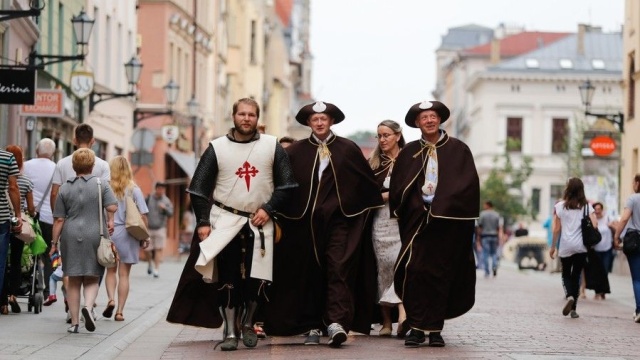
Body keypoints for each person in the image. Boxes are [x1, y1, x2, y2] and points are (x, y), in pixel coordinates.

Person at [166, 98, 297, 352]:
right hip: (225, 220)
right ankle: (229, 331)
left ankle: (248, 322)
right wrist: (203, 221)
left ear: (257, 118)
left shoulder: (272, 146)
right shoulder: (217, 147)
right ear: (233, 116)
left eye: (251, 115)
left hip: (260, 221)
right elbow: (198, 189)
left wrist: (268, 209)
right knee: (228, 277)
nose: (246, 118)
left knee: (259, 277)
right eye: (242, 114)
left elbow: (288, 185)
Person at [263, 101, 383, 348]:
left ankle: (336, 322)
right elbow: (279, 185)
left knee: (338, 267)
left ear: (331, 121)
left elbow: (366, 183)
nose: (319, 123)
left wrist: (356, 210)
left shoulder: (348, 149)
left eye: (324, 119)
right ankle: (312, 324)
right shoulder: (294, 151)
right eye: (314, 119)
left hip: (339, 222)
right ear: (308, 123)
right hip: (303, 223)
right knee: (309, 271)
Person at [389, 100, 479, 348]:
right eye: (424, 117)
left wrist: (442, 205)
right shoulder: (408, 153)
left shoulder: (458, 150)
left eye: (433, 116)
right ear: (417, 123)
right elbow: (399, 187)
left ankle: (435, 328)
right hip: (417, 223)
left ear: (439, 120)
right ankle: (417, 327)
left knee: (440, 273)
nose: (429, 120)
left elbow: (467, 187)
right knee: (415, 271)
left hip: (446, 226)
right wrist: (417, 204)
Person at [50, 148, 117, 333]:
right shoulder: (101, 184)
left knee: (73, 280)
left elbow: (59, 219)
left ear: (73, 166)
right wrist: (110, 218)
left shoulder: (64, 187)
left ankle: (74, 323)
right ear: (92, 165)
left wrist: (54, 243)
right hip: (95, 233)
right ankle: (87, 307)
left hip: (70, 235)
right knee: (92, 276)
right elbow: (112, 205)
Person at [368, 119, 406, 337]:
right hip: (381, 223)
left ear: (398, 136)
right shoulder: (373, 163)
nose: (382, 140)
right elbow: (366, 195)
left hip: (403, 222)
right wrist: (389, 195)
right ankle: (386, 322)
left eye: (387, 135)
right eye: (379, 136)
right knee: (383, 271)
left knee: (401, 266)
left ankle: (403, 314)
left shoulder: (410, 159)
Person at [103, 156, 150, 322]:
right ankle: (120, 312)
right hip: (128, 234)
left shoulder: (106, 188)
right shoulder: (134, 189)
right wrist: (145, 236)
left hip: (110, 232)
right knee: (124, 275)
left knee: (110, 270)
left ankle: (110, 300)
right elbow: (143, 215)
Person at [549, 177, 597, 319]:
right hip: (581, 246)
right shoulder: (587, 207)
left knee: (566, 274)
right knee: (576, 276)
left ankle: (569, 295)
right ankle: (574, 308)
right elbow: (594, 225)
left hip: (566, 245)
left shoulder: (560, 206)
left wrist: (553, 247)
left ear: (567, 189)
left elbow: (556, 228)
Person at [1, 146, 36, 314]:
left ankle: (4, 299)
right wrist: (22, 214)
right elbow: (28, 205)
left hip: (4, 218)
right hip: (10, 220)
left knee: (4, 262)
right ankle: (10, 296)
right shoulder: (25, 180)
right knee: (13, 260)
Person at [23, 138, 57, 301]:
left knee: (26, 252)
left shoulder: (27, 165)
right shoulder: (56, 169)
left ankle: (25, 281)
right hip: (49, 218)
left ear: (37, 150)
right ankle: (48, 290)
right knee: (48, 254)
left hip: (27, 217)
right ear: (53, 153)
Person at [613, 174, 640, 323]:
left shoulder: (634, 198)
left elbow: (624, 218)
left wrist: (616, 236)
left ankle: (639, 310)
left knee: (637, 278)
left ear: (637, 183)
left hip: (636, 241)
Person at [0, 148, 23, 314]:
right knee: (1, 264)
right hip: (1, 217)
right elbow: (13, 187)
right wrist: (18, 215)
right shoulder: (7, 158)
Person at [586, 202, 614, 300]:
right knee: (597, 272)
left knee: (605, 271)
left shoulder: (608, 218)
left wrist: (611, 226)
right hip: (596, 249)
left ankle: (603, 291)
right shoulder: (592, 219)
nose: (597, 211)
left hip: (607, 249)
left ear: (602, 209)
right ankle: (597, 291)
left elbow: (616, 227)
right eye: (596, 209)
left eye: (599, 209)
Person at [145, 182, 173, 278]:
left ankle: (156, 270)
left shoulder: (166, 201)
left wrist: (165, 208)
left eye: (162, 189)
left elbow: (171, 213)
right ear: (156, 189)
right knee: (147, 249)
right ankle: (150, 264)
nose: (161, 191)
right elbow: (142, 210)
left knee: (158, 249)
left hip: (160, 228)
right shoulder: (149, 198)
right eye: (159, 189)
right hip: (148, 228)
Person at [476, 201, 503, 278]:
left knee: (485, 254)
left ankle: (487, 271)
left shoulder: (483, 214)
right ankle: (494, 266)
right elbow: (499, 228)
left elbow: (480, 227)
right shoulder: (497, 214)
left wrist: (478, 237)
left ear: (488, 205)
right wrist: (499, 237)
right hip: (494, 236)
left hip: (485, 236)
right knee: (494, 253)